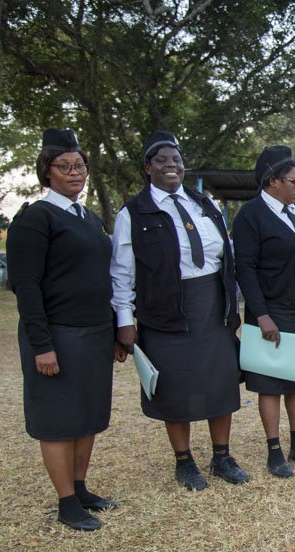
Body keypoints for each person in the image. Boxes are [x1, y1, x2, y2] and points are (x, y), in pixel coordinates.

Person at [111, 131, 245, 490]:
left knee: (220, 383)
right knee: (174, 387)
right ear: (147, 167)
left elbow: (225, 257)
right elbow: (122, 274)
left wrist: (232, 305)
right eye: (162, 160)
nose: (171, 165)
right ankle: (184, 461)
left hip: (212, 307)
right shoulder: (133, 213)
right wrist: (124, 321)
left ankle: (221, 457)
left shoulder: (204, 204)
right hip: (164, 312)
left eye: (177, 160)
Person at [7, 128, 121, 531]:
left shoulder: (87, 218)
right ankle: (66, 502)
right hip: (57, 335)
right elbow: (26, 286)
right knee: (58, 419)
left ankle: (80, 487)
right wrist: (42, 345)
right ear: (47, 171)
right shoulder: (35, 218)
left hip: (94, 334)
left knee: (87, 415)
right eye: (64, 166)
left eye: (80, 165)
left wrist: (113, 331)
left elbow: (103, 278)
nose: (75, 172)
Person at [232, 145, 295, 478]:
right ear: (272, 180)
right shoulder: (251, 214)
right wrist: (261, 314)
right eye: (294, 181)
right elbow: (245, 268)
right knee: (271, 381)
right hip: (274, 308)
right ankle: (274, 450)